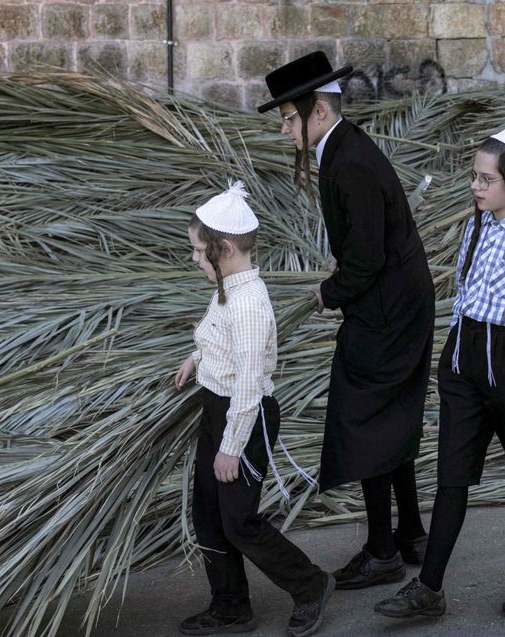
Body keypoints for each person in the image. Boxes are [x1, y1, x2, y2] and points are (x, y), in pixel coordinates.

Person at [375, 126, 505, 620]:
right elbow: (469, 294)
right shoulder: (476, 227)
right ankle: (428, 589)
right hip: (464, 363)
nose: (476, 186)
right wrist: (454, 356)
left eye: (487, 179)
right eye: (474, 176)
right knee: (452, 475)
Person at [257, 51, 436, 589]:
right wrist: (345, 277)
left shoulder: (349, 161)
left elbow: (367, 260)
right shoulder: (343, 150)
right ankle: (409, 534)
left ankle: (384, 550)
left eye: (290, 117)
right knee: (391, 417)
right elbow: (367, 243)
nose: (286, 128)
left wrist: (326, 293)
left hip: (388, 310)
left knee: (365, 422)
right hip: (396, 302)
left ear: (318, 110)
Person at [174, 181, 334, 637]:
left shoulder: (248, 304)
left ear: (224, 249)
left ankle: (310, 585)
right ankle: (229, 606)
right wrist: (196, 358)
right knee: (209, 514)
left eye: (198, 251)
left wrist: (231, 447)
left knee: (239, 521)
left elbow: (247, 381)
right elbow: (220, 342)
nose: (194, 258)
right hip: (217, 408)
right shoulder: (228, 289)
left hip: (244, 416)